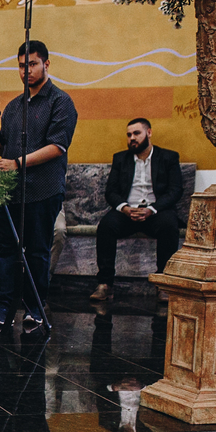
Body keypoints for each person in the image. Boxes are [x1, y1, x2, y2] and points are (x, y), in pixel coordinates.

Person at [0, 40, 78, 334]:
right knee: (7, 252)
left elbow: (57, 146)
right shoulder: (14, 107)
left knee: (37, 252)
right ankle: (3, 308)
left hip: (43, 189)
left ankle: (35, 310)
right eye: (21, 66)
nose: (26, 71)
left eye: (32, 64)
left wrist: (17, 163)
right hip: (10, 191)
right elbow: (6, 146)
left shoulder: (60, 102)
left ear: (46, 64)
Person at [89, 118, 184, 303]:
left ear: (149, 133)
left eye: (136, 133)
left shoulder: (168, 157)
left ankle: (163, 284)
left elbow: (175, 190)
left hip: (156, 211)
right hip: (128, 212)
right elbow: (111, 191)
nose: (132, 138)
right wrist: (125, 208)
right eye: (129, 135)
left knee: (169, 225)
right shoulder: (120, 159)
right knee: (106, 226)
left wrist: (152, 209)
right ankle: (105, 284)